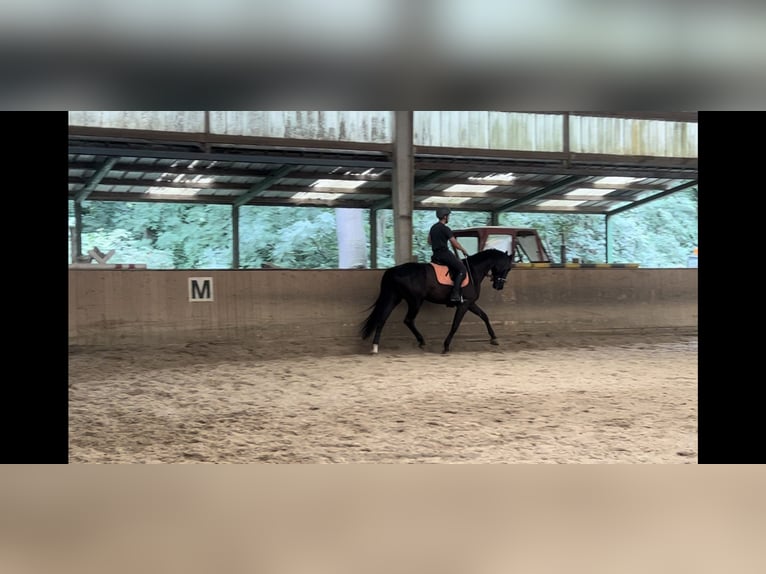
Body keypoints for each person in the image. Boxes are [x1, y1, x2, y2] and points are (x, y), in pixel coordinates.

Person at [428, 207, 470, 304]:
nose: (449, 218)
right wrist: (463, 250)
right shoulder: (445, 229)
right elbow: (454, 243)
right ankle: (455, 294)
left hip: (435, 255)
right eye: (448, 216)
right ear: (445, 217)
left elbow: (429, 241)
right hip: (444, 253)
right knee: (462, 270)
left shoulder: (433, 227)